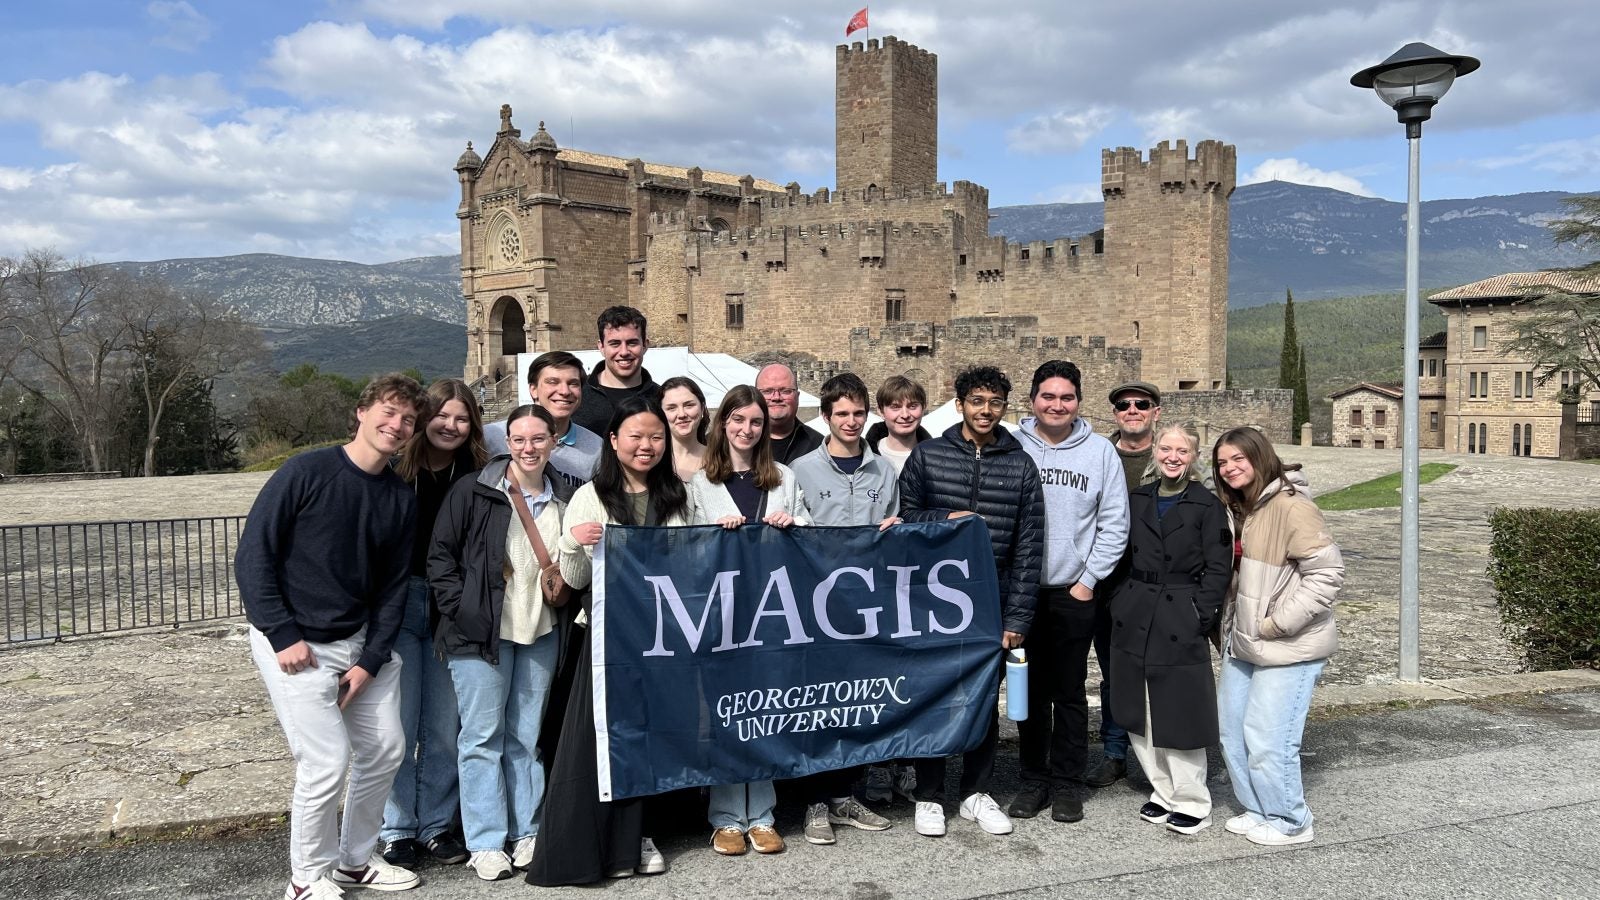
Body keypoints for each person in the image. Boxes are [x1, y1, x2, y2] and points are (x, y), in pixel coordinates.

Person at [237, 373, 427, 899]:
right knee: (325, 761)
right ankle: (305, 879)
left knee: (387, 748)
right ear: (362, 412)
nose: (397, 425)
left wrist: (370, 659)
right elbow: (254, 556)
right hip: (297, 644)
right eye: (388, 412)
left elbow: (392, 589)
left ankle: (353, 862)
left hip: (358, 642)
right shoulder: (306, 471)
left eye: (408, 420)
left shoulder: (398, 498)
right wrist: (281, 634)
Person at [525, 396, 689, 884]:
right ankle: (606, 844)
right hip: (606, 638)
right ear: (614, 441)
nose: (647, 446)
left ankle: (643, 833)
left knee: (652, 736)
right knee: (606, 742)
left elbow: (688, 565)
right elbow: (574, 578)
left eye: (655, 437)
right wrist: (575, 541)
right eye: (636, 436)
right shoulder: (591, 496)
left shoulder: (677, 495)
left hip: (661, 637)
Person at [898, 365, 1042, 839]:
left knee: (983, 699)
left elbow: (1029, 545)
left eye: (995, 402)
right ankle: (929, 794)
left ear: (1005, 407)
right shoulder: (928, 455)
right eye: (977, 401)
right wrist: (947, 516)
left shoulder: (1021, 465)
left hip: (994, 600)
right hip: (935, 599)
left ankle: (977, 793)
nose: (986, 410)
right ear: (959, 404)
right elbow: (908, 518)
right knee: (933, 697)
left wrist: (1019, 615)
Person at [428, 405, 568, 881]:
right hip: (480, 633)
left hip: (539, 630)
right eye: (519, 439)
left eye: (538, 439)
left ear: (553, 442)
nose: (528, 448)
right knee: (481, 738)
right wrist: (462, 611)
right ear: (507, 442)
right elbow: (440, 557)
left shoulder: (565, 494)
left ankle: (527, 831)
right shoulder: (475, 490)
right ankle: (486, 839)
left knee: (525, 737)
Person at [690, 384, 810, 856]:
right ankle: (724, 818)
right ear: (723, 424)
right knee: (723, 715)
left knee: (765, 711)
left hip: (773, 613)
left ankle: (761, 814)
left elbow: (813, 536)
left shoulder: (783, 477)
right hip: (721, 615)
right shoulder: (701, 482)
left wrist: (792, 524)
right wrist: (710, 536)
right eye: (738, 420)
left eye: (756, 422)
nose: (746, 429)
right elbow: (680, 546)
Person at [1011, 360, 1130, 825]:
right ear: (1033, 399)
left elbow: (1114, 523)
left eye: (1066, 397)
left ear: (1078, 401)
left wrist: (1088, 580)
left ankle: (1066, 783)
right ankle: (1033, 779)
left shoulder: (1100, 452)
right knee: (1028, 692)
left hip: (1072, 591)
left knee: (1070, 693)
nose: (1057, 405)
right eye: (1048, 396)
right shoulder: (1012, 444)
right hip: (1021, 592)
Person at [1212, 426, 1343, 847]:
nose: (1229, 468)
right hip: (1242, 639)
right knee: (1233, 732)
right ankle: (1257, 808)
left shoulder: (1292, 506)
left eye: (1237, 459)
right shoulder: (1240, 508)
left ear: (1260, 456)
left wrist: (1277, 623)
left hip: (1285, 643)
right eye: (1221, 462)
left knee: (1270, 737)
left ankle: (1290, 819)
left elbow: (1326, 575)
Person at [380, 379, 486, 869]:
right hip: (399, 603)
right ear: (424, 419)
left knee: (445, 726)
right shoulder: (395, 472)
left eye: (461, 418)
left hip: (452, 606)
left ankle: (437, 825)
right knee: (397, 727)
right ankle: (397, 827)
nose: (451, 425)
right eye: (442, 415)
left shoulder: (479, 476)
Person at [789, 373, 898, 845]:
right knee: (817, 704)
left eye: (858, 413)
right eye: (842, 414)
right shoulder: (800, 469)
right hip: (814, 604)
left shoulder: (884, 471)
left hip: (865, 604)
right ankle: (814, 801)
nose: (851, 422)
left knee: (855, 702)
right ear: (827, 417)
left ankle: (844, 795)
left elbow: (891, 533)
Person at [1108, 423, 1231, 835]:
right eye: (1166, 448)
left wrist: (1202, 613)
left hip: (1180, 610)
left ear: (1194, 456)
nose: (1172, 456)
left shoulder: (1206, 505)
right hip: (1137, 608)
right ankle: (1162, 791)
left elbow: (1219, 566)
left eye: (1182, 450)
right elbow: (1122, 551)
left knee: (1178, 710)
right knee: (1137, 709)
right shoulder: (1139, 497)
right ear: (1155, 452)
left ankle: (1193, 799)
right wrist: (1119, 599)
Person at [1088, 379, 1164, 785]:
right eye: (1123, 405)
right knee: (1114, 670)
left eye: (1141, 404)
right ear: (1115, 413)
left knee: (1157, 671)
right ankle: (1115, 752)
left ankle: (1163, 755)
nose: (1132, 410)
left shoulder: (1171, 456)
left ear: (1156, 411)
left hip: (1155, 585)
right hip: (1107, 582)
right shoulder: (1097, 455)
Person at [485, 350, 603, 491]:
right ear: (533, 389)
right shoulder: (491, 437)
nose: (564, 391)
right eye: (553, 382)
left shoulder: (596, 448)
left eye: (573, 383)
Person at [571, 306, 662, 436]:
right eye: (615, 343)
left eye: (632, 343)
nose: (624, 352)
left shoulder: (661, 399)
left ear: (645, 345)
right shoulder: (577, 398)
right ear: (601, 347)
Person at [755, 363, 822, 465]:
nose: (776, 397)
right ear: (755, 396)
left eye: (785, 391)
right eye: (767, 391)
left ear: (797, 397)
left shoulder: (818, 446)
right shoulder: (740, 443)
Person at [866, 374, 932, 476]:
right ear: (881, 411)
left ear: (923, 408)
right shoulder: (861, 458)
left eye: (912, 406)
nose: (905, 415)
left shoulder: (939, 458)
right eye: (895, 407)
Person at [660, 375, 709, 482]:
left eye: (689, 405)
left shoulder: (718, 459)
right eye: (671, 408)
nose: (681, 414)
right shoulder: (652, 459)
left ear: (702, 407)